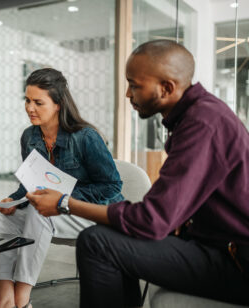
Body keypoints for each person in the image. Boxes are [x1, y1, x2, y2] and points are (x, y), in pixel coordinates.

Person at [26, 40, 249, 307]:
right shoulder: (197, 116)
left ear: (166, 88)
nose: (128, 95)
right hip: (215, 246)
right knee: (112, 236)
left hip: (236, 262)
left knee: (97, 242)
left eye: (134, 85)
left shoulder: (203, 124)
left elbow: (152, 220)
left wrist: (65, 204)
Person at [0, 68, 124, 308]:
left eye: (38, 102)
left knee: (38, 213)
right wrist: (12, 199)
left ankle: (22, 299)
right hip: (56, 212)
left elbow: (112, 186)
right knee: (3, 220)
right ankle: (3, 296)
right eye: (27, 100)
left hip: (93, 213)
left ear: (58, 104)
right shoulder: (29, 136)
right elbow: (29, 182)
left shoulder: (85, 137)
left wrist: (62, 199)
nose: (30, 108)